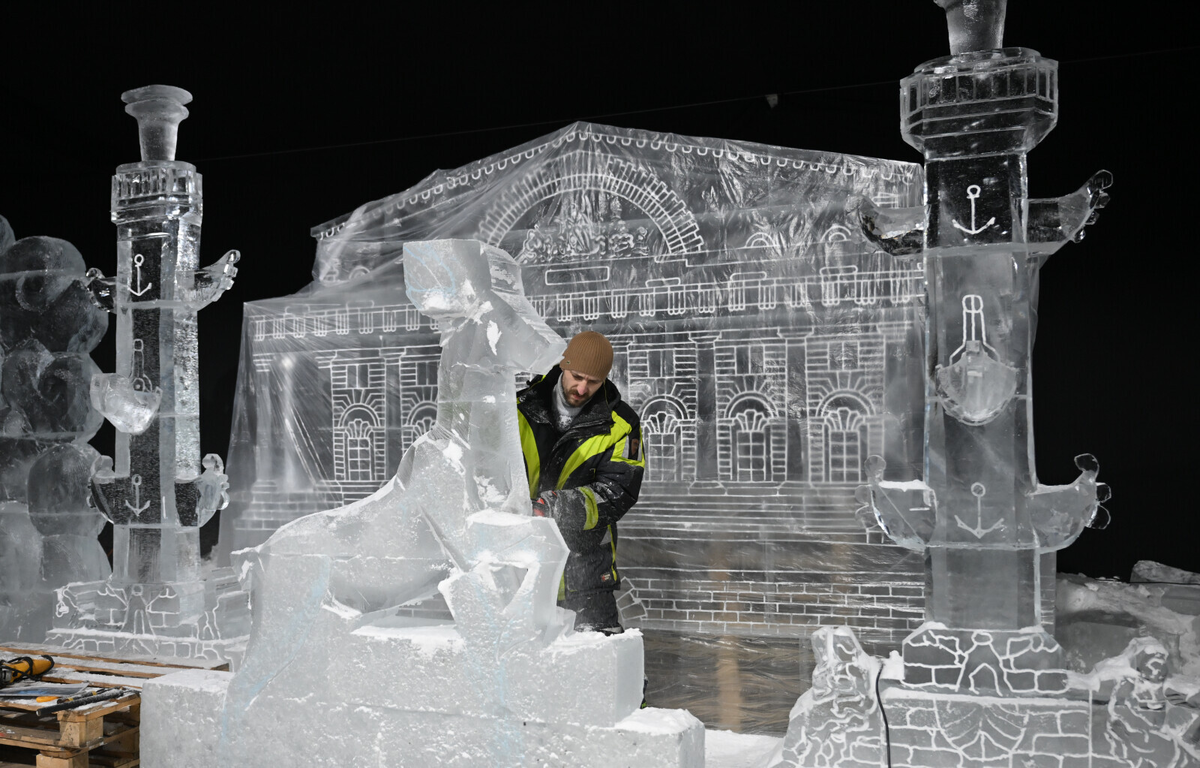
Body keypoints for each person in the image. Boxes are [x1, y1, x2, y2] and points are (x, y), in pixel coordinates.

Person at [517, 331, 645, 633]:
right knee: (526, 666)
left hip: (587, 573)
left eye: (594, 381)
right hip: (523, 566)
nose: (583, 387)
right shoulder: (517, 410)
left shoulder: (622, 424)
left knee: (601, 667)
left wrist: (558, 507)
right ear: (563, 365)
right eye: (576, 376)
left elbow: (619, 491)